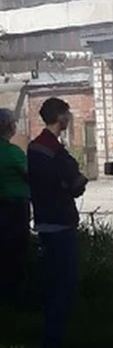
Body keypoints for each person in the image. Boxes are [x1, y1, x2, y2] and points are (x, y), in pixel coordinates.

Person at [28, 97, 87, 348]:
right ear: (60, 116)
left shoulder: (34, 147)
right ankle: (54, 338)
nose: (69, 117)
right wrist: (75, 181)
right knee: (64, 283)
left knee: (53, 282)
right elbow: (75, 184)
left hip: (43, 220)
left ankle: (52, 334)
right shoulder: (54, 150)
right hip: (60, 222)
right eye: (67, 113)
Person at [0, 108, 30, 307]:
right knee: (16, 254)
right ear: (8, 126)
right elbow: (31, 175)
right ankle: (15, 301)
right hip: (15, 209)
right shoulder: (13, 153)